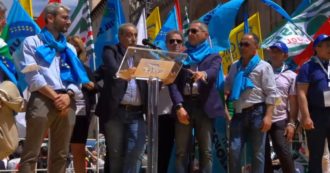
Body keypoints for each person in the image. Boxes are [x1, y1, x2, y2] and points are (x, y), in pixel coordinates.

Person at [16, 3, 90, 172]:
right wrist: (55, 96)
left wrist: (68, 94)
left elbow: (78, 77)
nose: (69, 22)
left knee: (61, 154)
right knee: (31, 153)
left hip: (67, 100)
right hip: (42, 98)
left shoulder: (70, 48)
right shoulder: (32, 42)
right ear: (50, 18)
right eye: (64, 17)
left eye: (69, 18)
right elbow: (32, 74)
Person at [169, 21, 225, 173]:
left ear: (205, 35)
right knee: (181, 152)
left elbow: (213, 72)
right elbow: (172, 83)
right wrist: (179, 106)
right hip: (184, 105)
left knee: (206, 151)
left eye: (194, 31)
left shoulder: (213, 56)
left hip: (204, 107)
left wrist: (203, 74)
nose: (190, 34)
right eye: (189, 32)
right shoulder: (181, 56)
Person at [95, 23, 147, 173]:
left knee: (135, 153)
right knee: (116, 156)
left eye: (135, 35)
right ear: (120, 36)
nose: (133, 38)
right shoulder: (111, 50)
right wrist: (125, 71)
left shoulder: (142, 54)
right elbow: (112, 68)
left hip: (137, 113)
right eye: (129, 35)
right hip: (115, 113)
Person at [225, 33, 277, 173]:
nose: (242, 47)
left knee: (258, 153)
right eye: (241, 44)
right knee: (234, 151)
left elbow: (271, 93)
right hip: (238, 113)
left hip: (257, 112)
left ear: (256, 47)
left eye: (246, 44)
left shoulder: (264, 66)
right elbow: (227, 87)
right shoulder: (235, 66)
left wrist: (268, 116)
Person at [297, 34, 330, 173]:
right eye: (327, 45)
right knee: (316, 155)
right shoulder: (307, 67)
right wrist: (305, 116)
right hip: (316, 115)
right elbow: (301, 93)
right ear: (317, 48)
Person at [264, 41, 298, 173]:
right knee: (263, 153)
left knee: (283, 151)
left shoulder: (291, 75)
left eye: (277, 51)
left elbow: (293, 101)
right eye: (272, 51)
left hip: (279, 118)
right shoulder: (262, 70)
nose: (273, 54)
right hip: (261, 116)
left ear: (285, 56)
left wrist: (292, 123)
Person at [67, 35, 98, 173]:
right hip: (61, 109)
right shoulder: (58, 65)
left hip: (81, 113)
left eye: (77, 45)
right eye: (70, 44)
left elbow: (95, 88)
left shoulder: (85, 69)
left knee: (79, 150)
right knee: (59, 149)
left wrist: (88, 84)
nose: (73, 47)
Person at [156, 30, 185, 173]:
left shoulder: (187, 62)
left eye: (178, 41)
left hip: (185, 113)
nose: (175, 44)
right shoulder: (160, 62)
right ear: (166, 44)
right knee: (164, 151)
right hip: (164, 113)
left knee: (183, 152)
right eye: (171, 41)